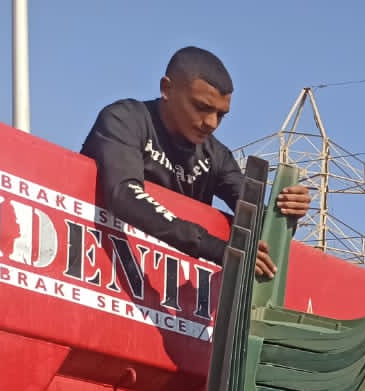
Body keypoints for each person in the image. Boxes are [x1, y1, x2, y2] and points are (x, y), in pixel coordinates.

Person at [82, 47, 310, 278]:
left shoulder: (217, 156)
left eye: (221, 114)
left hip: (168, 287)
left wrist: (284, 215)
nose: (211, 123)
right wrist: (218, 250)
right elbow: (123, 194)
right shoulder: (125, 119)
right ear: (167, 88)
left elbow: (260, 227)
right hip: (90, 267)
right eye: (202, 107)